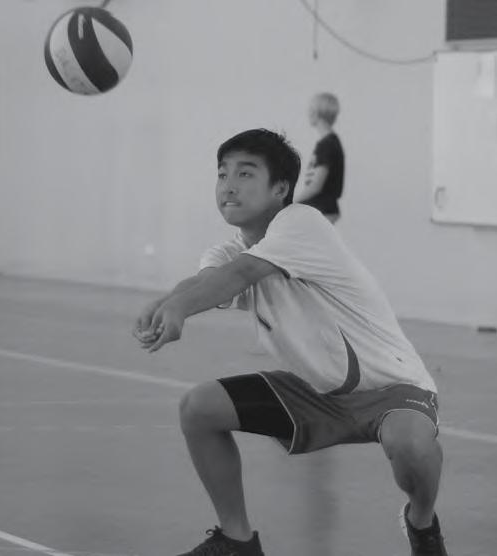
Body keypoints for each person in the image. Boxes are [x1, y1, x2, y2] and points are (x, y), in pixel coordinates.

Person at [134, 129, 448, 556]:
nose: (229, 185)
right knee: (198, 408)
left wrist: (179, 309)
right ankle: (236, 540)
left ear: (280, 189)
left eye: (245, 173)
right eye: (222, 174)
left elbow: (241, 275)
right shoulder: (229, 252)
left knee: (409, 444)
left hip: (392, 388)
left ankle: (422, 523)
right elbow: (208, 281)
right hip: (316, 393)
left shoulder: (301, 223)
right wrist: (165, 304)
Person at [294, 92, 345, 223]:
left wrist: (290, 203)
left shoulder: (327, 145)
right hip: (321, 210)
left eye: (310, 109)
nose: (308, 113)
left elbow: (316, 186)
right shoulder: (329, 143)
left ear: (316, 113)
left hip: (322, 210)